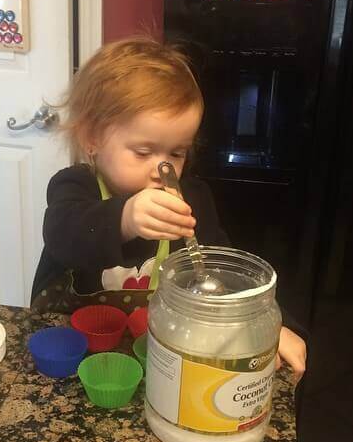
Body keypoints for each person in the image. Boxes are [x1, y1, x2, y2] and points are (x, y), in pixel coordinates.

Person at [31, 36, 306, 381]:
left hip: (158, 353)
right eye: (143, 152)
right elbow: (63, 234)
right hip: (73, 352)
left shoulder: (192, 198)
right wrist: (126, 218)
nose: (162, 169)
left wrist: (267, 325)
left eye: (176, 153)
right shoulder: (74, 185)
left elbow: (220, 268)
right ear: (93, 139)